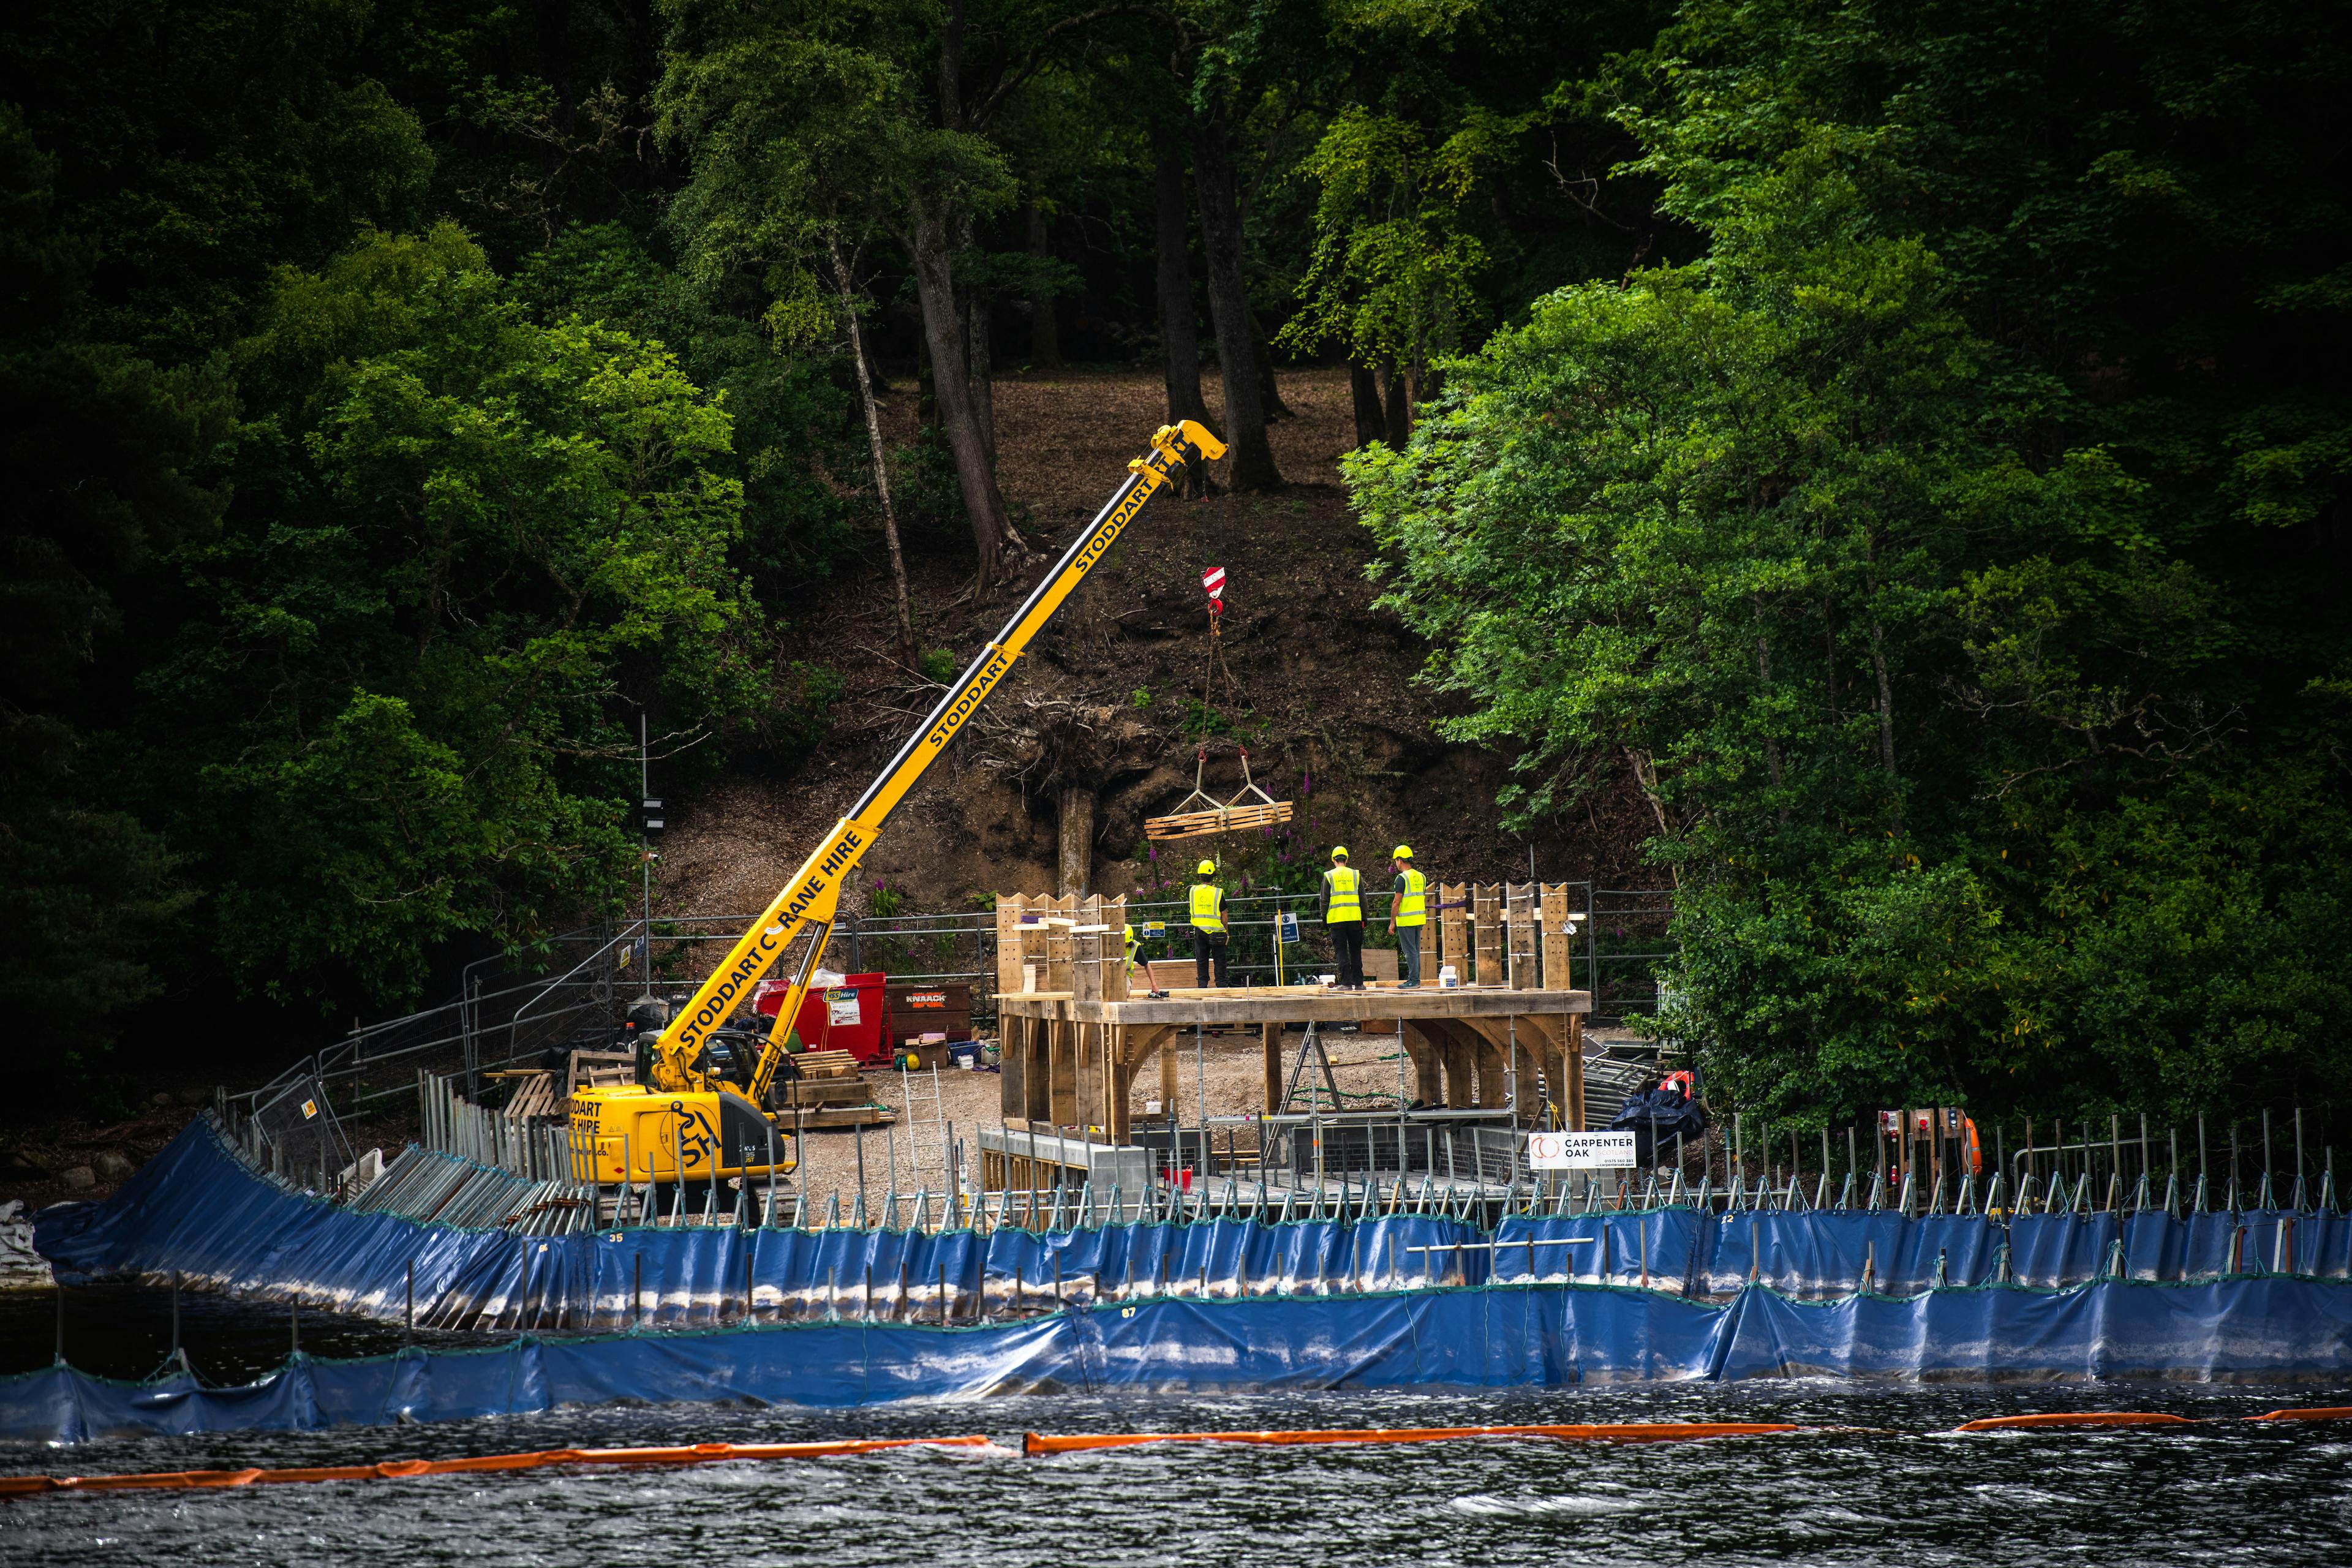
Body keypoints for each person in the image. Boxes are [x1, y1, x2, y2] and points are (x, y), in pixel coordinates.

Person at [1321, 846, 1365, 989]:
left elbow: (1324, 900)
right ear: (1346, 859)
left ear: (1333, 860)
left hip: (1337, 920)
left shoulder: (1329, 876)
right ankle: (1359, 983)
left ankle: (1346, 983)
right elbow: (1363, 899)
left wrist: (1324, 919)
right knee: (1355, 951)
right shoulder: (1355, 875)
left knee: (1341, 952)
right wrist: (1365, 918)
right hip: (1355, 919)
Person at [1387, 845, 1426, 987]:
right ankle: (1415, 979)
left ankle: (1414, 981)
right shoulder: (1421, 877)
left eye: (1396, 861)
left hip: (1406, 920)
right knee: (1415, 951)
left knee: (1410, 952)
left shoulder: (1402, 878)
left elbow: (1397, 902)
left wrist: (1392, 922)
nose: (1396, 864)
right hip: (1419, 919)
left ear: (1399, 860)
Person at [1188, 859, 1229, 987]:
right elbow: (1224, 914)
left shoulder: (1192, 891)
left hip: (1199, 931)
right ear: (1213, 876)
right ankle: (1221, 985)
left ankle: (1202, 985)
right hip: (1217, 932)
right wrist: (1226, 931)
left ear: (1200, 876)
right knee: (1219, 960)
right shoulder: (1217, 892)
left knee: (1201, 960)